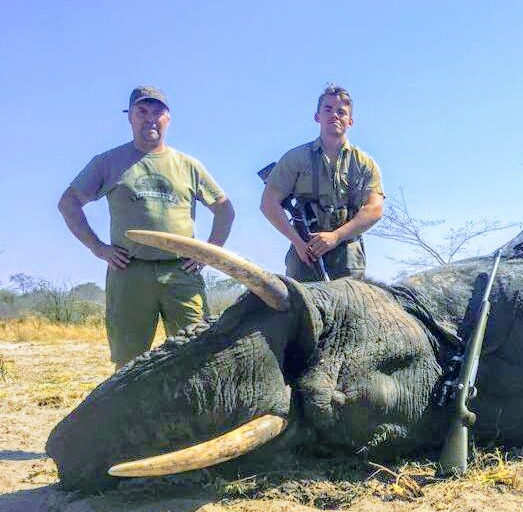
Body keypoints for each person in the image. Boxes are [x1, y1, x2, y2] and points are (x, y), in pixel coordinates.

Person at [58, 86, 235, 367]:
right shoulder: (108, 162)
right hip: (129, 272)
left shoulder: (188, 165)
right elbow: (69, 203)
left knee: (197, 356)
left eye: (158, 112)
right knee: (129, 363)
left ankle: (189, 412)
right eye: (142, 111)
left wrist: (208, 253)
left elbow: (224, 209)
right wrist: (98, 248)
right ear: (130, 117)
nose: (150, 118)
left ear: (168, 119)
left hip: (181, 273)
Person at [260, 84, 384, 281]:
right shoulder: (295, 158)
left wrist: (336, 237)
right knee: (299, 309)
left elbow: (375, 209)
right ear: (317, 116)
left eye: (341, 112)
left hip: (348, 257)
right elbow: (268, 203)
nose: (334, 115)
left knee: (352, 310)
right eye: (328, 109)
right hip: (305, 254)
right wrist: (298, 243)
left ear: (350, 121)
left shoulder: (364, 163)